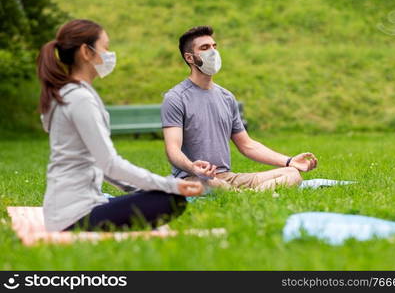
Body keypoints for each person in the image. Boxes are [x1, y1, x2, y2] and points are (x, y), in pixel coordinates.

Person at [37, 19, 203, 232]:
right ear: (85, 53)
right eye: (105, 48)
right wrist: (171, 185)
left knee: (160, 195)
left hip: (65, 211)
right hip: (73, 217)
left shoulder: (68, 93)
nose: (109, 54)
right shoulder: (80, 99)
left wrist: (144, 189)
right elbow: (110, 164)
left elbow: (103, 168)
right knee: (171, 200)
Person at [161, 26, 318, 191]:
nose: (213, 52)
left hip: (228, 177)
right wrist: (193, 168)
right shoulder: (176, 98)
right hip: (194, 178)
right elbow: (173, 149)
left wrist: (290, 161)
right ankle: (253, 194)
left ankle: (248, 195)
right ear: (190, 58)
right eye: (205, 48)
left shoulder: (226, 97)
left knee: (292, 174)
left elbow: (247, 145)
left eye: (215, 46)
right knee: (215, 184)